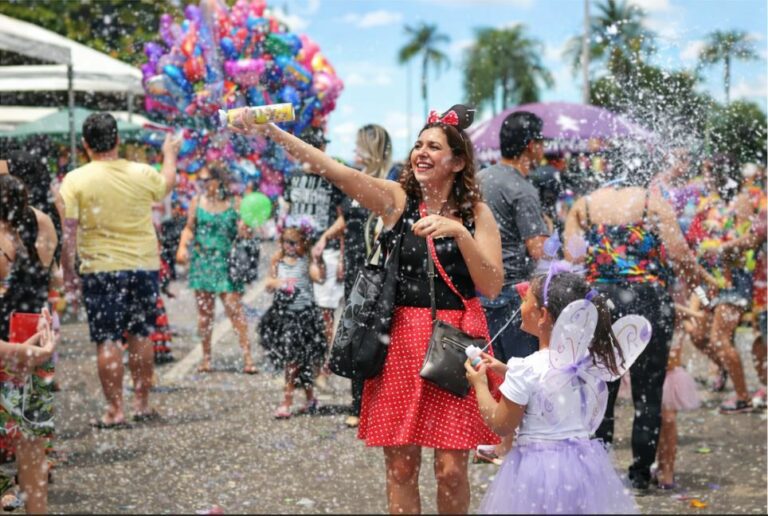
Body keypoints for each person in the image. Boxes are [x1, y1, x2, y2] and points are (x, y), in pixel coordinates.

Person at [233, 104, 503, 514]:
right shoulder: (398, 200)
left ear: (458, 161)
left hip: (457, 342)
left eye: (434, 146)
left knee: (450, 469)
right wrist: (272, 131)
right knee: (400, 466)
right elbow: (334, 170)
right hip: (398, 341)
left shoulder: (476, 214)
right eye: (418, 145)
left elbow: (492, 284)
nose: (421, 153)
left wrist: (460, 235)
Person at [563, 161, 718, 491]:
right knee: (648, 392)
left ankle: (599, 468)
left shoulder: (585, 205)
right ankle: (640, 473)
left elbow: (572, 257)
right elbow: (678, 254)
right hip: (649, 301)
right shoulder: (651, 202)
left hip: (600, 300)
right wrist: (704, 280)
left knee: (602, 387)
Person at [465, 272, 644, 514]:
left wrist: (479, 385)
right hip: (582, 467)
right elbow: (550, 383)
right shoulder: (587, 361)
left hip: (535, 472)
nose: (521, 304)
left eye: (525, 300)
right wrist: (506, 371)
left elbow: (501, 424)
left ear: (542, 315)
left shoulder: (526, 367)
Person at [59, 112, 181, 428]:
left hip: (100, 268)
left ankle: (115, 409)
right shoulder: (141, 172)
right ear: (117, 140)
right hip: (143, 266)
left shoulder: (75, 179)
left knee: (108, 340)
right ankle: (141, 402)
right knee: (141, 333)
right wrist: (170, 154)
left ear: (85, 144)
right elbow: (167, 184)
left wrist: (67, 271)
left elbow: (69, 231)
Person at [314, 123, 393, 428]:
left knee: (380, 336)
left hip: (380, 271)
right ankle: (359, 404)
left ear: (372, 148)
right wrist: (325, 238)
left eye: (360, 145)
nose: (354, 151)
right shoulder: (354, 181)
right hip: (355, 270)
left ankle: (380, 404)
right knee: (355, 335)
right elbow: (349, 218)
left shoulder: (389, 181)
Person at [0, 175, 60, 514]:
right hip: (32, 337)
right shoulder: (38, 227)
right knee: (32, 445)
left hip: (17, 348)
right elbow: (49, 277)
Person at [477, 111, 549, 363]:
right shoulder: (522, 189)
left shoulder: (480, 178)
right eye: (542, 142)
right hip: (512, 295)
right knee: (518, 375)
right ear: (531, 146)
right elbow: (538, 249)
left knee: (486, 373)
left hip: (480, 290)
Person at [176, 165, 257, 374]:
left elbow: (246, 232)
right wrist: (182, 246)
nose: (202, 185)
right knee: (205, 314)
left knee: (234, 310)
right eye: (200, 181)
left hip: (226, 263)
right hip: (202, 262)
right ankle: (206, 358)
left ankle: (247, 357)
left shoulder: (234, 203)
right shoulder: (197, 202)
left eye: (206, 180)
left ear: (218, 181)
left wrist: (245, 228)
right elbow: (189, 227)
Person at [283, 128, 345, 388]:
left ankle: (324, 367)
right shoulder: (294, 176)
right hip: (297, 255)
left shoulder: (334, 176)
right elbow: (287, 212)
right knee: (296, 312)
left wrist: (341, 255)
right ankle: (300, 368)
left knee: (324, 314)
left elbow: (345, 216)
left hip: (326, 254)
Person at [259, 227, 326, 418]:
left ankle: (296, 401)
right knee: (293, 361)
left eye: (293, 243)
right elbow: (268, 285)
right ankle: (301, 400)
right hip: (284, 317)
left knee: (300, 361)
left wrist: (319, 260)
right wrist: (278, 283)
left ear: (302, 244)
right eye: (285, 242)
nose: (289, 246)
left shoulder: (305, 261)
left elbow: (318, 277)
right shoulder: (277, 261)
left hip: (304, 318)